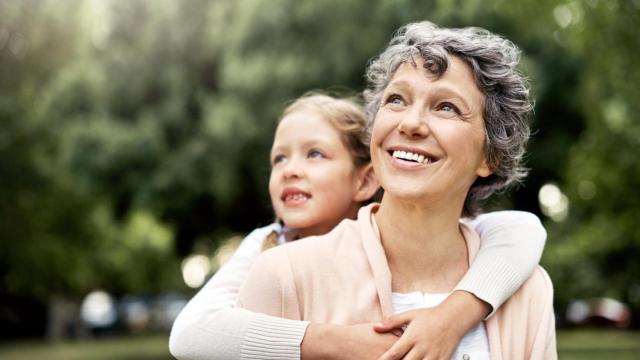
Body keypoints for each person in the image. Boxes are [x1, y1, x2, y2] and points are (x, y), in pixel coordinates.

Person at [237, 22, 556, 360]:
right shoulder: (283, 277)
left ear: (489, 156)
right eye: (397, 100)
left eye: (446, 106)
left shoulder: (527, 292)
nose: (410, 123)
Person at [170, 92, 547, 360]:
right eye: (278, 158)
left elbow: (522, 229)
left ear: (365, 181)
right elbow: (191, 333)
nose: (290, 170)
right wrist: (336, 342)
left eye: (315, 154)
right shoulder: (268, 245)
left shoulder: (419, 238)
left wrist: (452, 316)